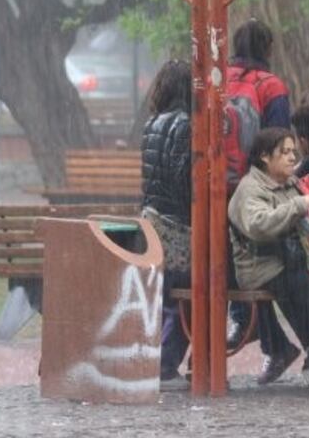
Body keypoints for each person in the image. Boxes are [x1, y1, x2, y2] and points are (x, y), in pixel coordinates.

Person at [228, 128, 309, 399]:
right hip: (263, 266)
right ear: (265, 157)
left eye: (293, 151)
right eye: (285, 152)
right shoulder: (250, 189)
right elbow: (258, 225)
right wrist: (301, 204)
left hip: (294, 258)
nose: (292, 158)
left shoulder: (292, 182)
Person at [226, 19, 300, 385]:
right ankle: (265, 336)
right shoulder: (271, 87)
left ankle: (247, 325)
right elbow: (279, 141)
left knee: (238, 271)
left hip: (220, 192)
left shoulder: (219, 80)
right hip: (256, 190)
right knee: (269, 267)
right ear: (267, 48)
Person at [139, 59, 193, 390]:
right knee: (188, 294)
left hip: (151, 220)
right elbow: (181, 179)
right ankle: (166, 364)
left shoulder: (152, 123)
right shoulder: (185, 125)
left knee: (162, 295)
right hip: (176, 226)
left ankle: (156, 362)